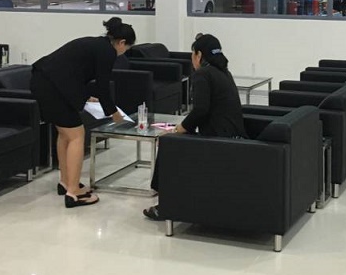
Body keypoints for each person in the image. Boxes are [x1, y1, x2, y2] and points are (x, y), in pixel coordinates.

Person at [30, 17, 135, 208]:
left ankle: (65, 181)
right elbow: (103, 85)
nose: (123, 53)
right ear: (121, 43)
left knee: (65, 134)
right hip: (54, 87)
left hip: (43, 81)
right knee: (77, 135)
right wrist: (113, 112)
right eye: (126, 48)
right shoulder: (108, 52)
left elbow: (74, 72)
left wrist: (86, 96)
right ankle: (74, 193)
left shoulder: (97, 44)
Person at [143, 33, 246, 220]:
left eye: (192, 54)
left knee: (169, 143)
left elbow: (200, 111)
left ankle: (165, 204)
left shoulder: (202, 74)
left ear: (198, 55)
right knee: (176, 138)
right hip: (234, 136)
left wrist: (177, 129)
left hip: (217, 140)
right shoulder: (224, 72)